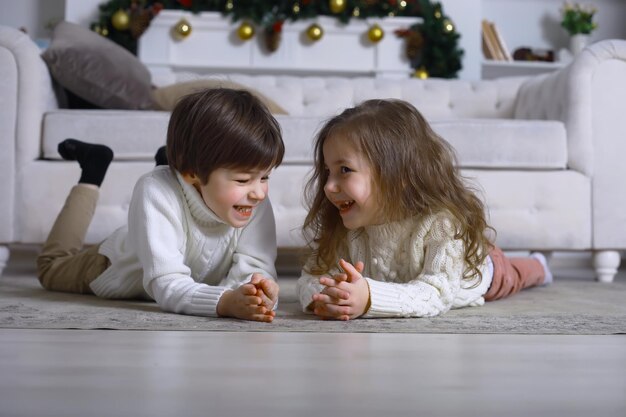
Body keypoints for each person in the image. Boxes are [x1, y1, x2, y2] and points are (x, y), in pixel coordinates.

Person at [37, 88, 285, 322]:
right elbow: (167, 283)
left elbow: (255, 269)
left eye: (265, 177)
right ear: (191, 172)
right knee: (50, 268)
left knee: (166, 190)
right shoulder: (153, 189)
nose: (259, 192)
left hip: (171, 226)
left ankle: (167, 163)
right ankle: (93, 168)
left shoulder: (253, 201)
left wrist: (256, 293)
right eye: (243, 180)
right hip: (114, 265)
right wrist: (225, 301)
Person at [297, 99, 552, 320]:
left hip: (478, 269)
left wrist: (369, 299)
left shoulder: (442, 224)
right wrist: (327, 296)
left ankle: (538, 265)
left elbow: (436, 293)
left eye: (345, 170)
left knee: (515, 275)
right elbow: (311, 276)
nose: (329, 186)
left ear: (398, 175)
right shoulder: (345, 226)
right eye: (327, 172)